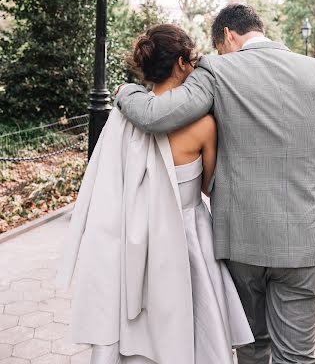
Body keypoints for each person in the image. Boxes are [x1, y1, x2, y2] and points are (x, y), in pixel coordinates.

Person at [115, 4, 315, 364]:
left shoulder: (216, 70)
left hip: (242, 242)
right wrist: (298, 167)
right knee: (298, 357)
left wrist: (125, 93)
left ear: (228, 35)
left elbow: (158, 116)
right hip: (306, 239)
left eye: (218, 47)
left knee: (252, 348)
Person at [57, 23, 253, 364]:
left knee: (138, 329)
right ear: (180, 63)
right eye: (191, 61)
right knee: (197, 324)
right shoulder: (205, 124)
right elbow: (207, 186)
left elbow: (110, 181)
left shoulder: (123, 119)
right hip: (190, 237)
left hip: (136, 238)